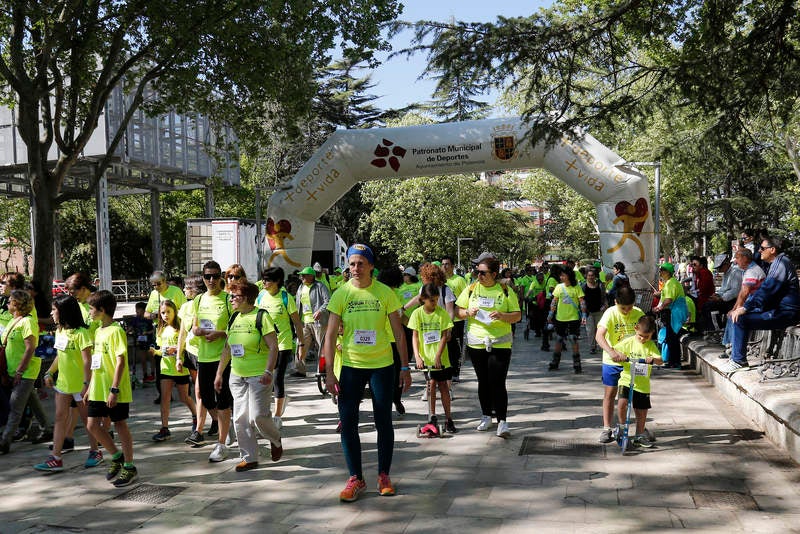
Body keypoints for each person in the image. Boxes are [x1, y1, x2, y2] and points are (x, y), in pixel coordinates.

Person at [322, 244, 412, 502]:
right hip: (351, 366)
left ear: (371, 266)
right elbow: (329, 335)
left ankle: (384, 474)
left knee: (383, 420)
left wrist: (405, 367)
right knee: (348, 422)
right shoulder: (341, 294)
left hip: (382, 366)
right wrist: (329, 371)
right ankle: (355, 477)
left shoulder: (385, 293)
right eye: (351, 264)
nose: (355, 269)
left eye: (361, 263)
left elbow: (398, 333)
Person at [215, 281, 283, 472]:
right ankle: (249, 457)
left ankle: (275, 438)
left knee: (257, 417)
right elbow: (227, 348)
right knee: (240, 418)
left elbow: (273, 347)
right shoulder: (234, 317)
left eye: (234, 296)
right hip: (237, 375)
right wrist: (219, 373)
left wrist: (269, 371)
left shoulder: (261, 316)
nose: (231, 300)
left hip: (259, 376)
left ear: (245, 298)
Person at [455, 255, 521, 438]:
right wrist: (467, 312)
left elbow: (517, 315)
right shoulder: (471, 289)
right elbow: (457, 311)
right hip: (477, 342)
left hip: (500, 342)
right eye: (477, 272)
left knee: (497, 382)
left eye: (483, 272)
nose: (479, 275)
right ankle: (486, 416)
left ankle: (502, 421)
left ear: (493, 273)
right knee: (483, 381)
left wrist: (502, 315)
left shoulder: (505, 290)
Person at [34, 295, 100, 471]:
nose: (51, 313)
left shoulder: (82, 333)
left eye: (54, 310)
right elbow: (59, 355)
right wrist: (49, 372)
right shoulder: (60, 331)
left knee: (88, 421)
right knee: (59, 418)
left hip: (81, 385)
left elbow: (87, 361)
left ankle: (95, 451)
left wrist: (87, 384)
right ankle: (56, 457)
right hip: (63, 384)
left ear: (64, 312)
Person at [84, 290, 137, 487]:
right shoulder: (98, 331)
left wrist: (114, 389)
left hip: (114, 389)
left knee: (120, 424)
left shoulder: (116, 331)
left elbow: (120, 360)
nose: (89, 312)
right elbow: (96, 362)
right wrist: (90, 386)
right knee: (92, 426)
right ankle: (116, 456)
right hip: (97, 388)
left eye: (91, 308)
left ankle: (130, 466)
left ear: (102, 310)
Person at [725, 237, 800, 372]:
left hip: (786, 314)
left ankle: (739, 360)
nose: (759, 251)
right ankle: (736, 357)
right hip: (778, 311)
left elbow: (767, 290)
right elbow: (765, 291)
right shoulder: (777, 263)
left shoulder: (781, 264)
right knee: (737, 316)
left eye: (762, 248)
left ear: (772, 250)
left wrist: (745, 308)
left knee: (740, 319)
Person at [191, 261, 235, 462]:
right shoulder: (198, 300)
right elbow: (194, 325)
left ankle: (221, 444)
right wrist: (197, 331)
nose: (211, 280)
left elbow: (236, 329)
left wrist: (220, 333)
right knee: (206, 399)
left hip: (223, 357)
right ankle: (225, 423)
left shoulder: (228, 299)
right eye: (208, 276)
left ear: (221, 278)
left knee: (223, 398)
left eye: (215, 276)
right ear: (203, 278)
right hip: (204, 356)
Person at [0, 290, 49, 454]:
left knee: (15, 407)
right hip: (14, 370)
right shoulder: (14, 321)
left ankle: (4, 441)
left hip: (26, 371)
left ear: (17, 304)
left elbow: (30, 347)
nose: (7, 304)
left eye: (9, 301)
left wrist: (20, 370)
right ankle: (47, 428)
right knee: (32, 400)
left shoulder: (27, 322)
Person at [594, 286, 645, 443]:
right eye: (623, 308)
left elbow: (646, 336)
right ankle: (607, 428)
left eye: (629, 307)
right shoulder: (610, 313)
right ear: (616, 302)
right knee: (610, 394)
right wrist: (612, 353)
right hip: (612, 361)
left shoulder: (638, 314)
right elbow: (599, 336)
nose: (627, 311)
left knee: (637, 396)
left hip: (633, 362)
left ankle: (640, 430)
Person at [256, 267, 303, 429]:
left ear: (277, 281)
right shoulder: (261, 296)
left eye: (267, 280)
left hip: (283, 344)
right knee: (265, 380)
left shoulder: (285, 297)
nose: (264, 282)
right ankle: (274, 405)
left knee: (277, 379)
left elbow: (297, 322)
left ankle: (277, 416)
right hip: (264, 346)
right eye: (263, 279)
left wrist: (301, 343)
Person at [408, 283, 457, 434]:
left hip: (440, 359)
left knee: (443, 386)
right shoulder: (417, 314)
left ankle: (449, 419)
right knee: (430, 385)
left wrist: (438, 357)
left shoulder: (441, 314)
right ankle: (432, 416)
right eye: (431, 300)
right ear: (423, 299)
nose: (434, 303)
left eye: (436, 300)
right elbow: (415, 337)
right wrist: (417, 356)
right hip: (425, 358)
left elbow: (444, 337)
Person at [613, 315, 663, 448]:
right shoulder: (628, 342)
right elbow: (614, 352)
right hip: (627, 379)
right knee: (622, 403)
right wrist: (620, 356)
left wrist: (652, 359)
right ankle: (622, 427)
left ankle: (639, 435)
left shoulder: (651, 345)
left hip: (642, 384)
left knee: (641, 411)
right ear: (635, 329)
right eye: (640, 336)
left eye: (647, 337)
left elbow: (660, 360)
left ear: (652, 333)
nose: (643, 339)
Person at [151, 300, 197, 442]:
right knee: (165, 398)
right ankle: (164, 428)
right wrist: (156, 352)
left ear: (175, 311)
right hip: (165, 368)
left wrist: (177, 350)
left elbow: (185, 345)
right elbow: (161, 350)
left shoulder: (180, 327)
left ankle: (196, 417)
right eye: (163, 312)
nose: (165, 315)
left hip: (180, 369)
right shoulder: (160, 329)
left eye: (168, 312)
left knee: (184, 397)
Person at [176, 274, 209, 446]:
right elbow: (182, 332)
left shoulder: (206, 304)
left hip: (205, 352)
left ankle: (198, 430)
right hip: (190, 353)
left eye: (187, 288)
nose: (184, 290)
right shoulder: (185, 307)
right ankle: (215, 421)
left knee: (200, 392)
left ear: (196, 289)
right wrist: (178, 356)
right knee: (201, 393)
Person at [145, 271, 187, 400]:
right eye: (153, 285)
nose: (156, 287)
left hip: (175, 332)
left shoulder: (176, 291)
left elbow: (185, 310)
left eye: (158, 284)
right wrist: (154, 315)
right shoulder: (153, 294)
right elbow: (146, 313)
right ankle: (163, 393)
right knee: (160, 363)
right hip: (160, 333)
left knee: (179, 359)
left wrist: (171, 313)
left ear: (165, 281)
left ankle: (185, 391)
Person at [547, 268, 587, 373]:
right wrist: (551, 314)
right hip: (560, 318)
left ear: (568, 276)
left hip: (573, 318)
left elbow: (582, 301)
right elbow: (554, 301)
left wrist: (583, 315)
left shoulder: (576, 287)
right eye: (560, 276)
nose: (561, 277)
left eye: (563, 275)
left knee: (573, 338)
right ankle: (555, 362)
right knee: (559, 339)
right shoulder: (559, 287)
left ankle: (577, 363)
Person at [295, 266, 330, 377]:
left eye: (304, 275)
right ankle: (300, 370)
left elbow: (328, 301)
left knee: (322, 346)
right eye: (301, 275)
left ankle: (323, 370)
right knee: (300, 345)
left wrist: (320, 311)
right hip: (304, 322)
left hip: (319, 323)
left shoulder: (320, 286)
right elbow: (298, 305)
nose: (302, 277)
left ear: (311, 276)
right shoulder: (300, 287)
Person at [653, 262, 687, 368]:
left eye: (662, 270)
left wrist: (660, 307)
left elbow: (668, 300)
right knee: (670, 337)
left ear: (667, 272)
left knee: (673, 338)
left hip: (675, 313)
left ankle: (676, 363)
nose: (660, 272)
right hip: (672, 312)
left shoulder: (671, 283)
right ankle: (672, 362)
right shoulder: (668, 283)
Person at [700, 254, 742, 333]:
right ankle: (711, 329)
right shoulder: (725, 273)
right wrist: (717, 294)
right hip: (726, 299)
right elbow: (722, 288)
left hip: (734, 301)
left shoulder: (736, 272)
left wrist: (721, 298)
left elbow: (735, 291)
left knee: (710, 306)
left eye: (720, 267)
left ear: (726, 264)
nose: (719, 270)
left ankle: (717, 330)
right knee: (706, 305)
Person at [441, 256, 466, 381]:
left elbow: (465, 298)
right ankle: (446, 370)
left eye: (447, 264)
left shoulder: (459, 280)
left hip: (456, 320)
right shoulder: (439, 281)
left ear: (452, 266)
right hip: (442, 321)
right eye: (443, 264)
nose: (444, 266)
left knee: (456, 347)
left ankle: (456, 371)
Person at [581, 267, 607, 354]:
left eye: (592, 275)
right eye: (589, 276)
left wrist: (604, 306)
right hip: (589, 312)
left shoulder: (600, 285)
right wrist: (583, 312)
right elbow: (582, 300)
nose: (591, 277)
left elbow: (604, 297)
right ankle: (592, 347)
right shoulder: (583, 286)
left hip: (599, 311)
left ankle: (601, 345)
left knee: (599, 329)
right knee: (590, 331)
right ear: (586, 276)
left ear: (595, 276)